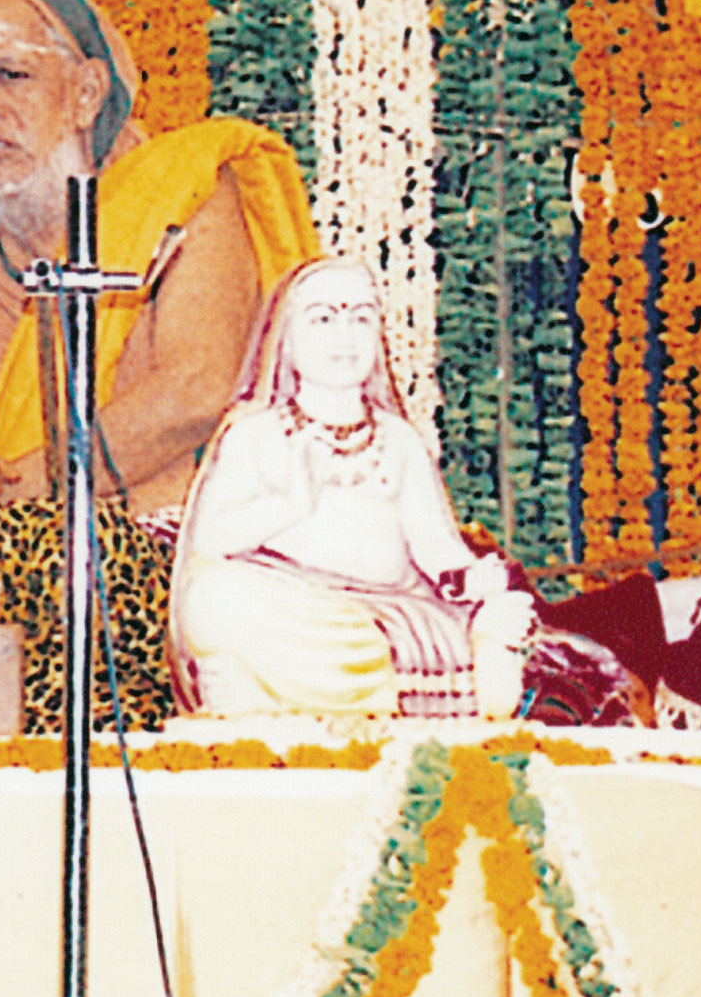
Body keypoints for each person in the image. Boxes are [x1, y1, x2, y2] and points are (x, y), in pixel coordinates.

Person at [0, 0, 317, 517]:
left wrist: (14, 493)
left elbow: (198, 391)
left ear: (86, 94)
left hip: (181, 540)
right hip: (8, 545)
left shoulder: (183, 192)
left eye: (11, 74)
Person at [168, 258, 532, 718]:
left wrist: (469, 579)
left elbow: (435, 545)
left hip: (385, 620)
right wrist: (291, 503)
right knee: (213, 596)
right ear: (286, 341)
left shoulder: (398, 439)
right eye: (323, 319)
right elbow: (209, 541)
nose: (345, 337)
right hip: (293, 610)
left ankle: (282, 694)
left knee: (497, 633)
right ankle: (273, 694)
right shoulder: (254, 434)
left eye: (361, 318)